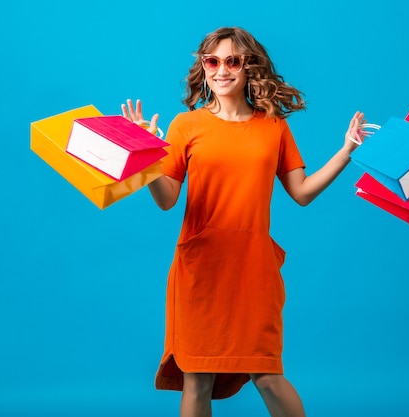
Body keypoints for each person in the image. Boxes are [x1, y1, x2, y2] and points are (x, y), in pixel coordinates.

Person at [122, 26, 367, 417]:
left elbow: (301, 193)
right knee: (197, 377)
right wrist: (145, 156)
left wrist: (346, 151)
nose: (221, 70)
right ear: (203, 67)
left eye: (232, 60)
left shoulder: (273, 126)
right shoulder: (186, 125)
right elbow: (167, 200)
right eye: (212, 61)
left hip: (253, 268)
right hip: (200, 269)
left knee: (267, 374)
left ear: (248, 67)